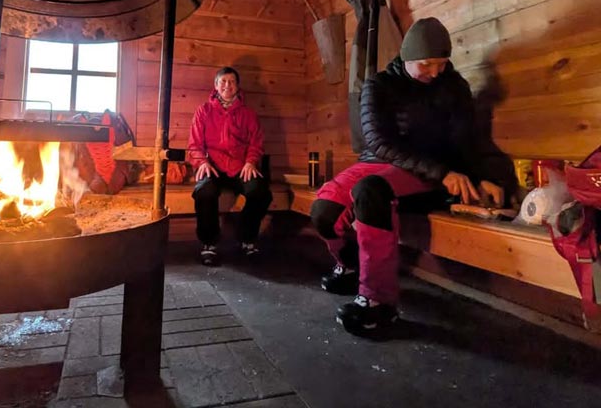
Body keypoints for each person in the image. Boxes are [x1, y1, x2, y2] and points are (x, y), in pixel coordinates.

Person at [309, 17, 511, 334]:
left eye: (442, 64)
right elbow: (378, 141)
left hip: (430, 170)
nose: (435, 72)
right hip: (384, 161)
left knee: (370, 191)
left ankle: (378, 303)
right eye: (426, 64)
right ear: (406, 59)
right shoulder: (379, 85)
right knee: (323, 211)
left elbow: (467, 140)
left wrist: (482, 175)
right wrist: (441, 172)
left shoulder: (454, 87)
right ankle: (349, 267)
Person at [188, 66, 273, 266]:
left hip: (239, 167)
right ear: (216, 86)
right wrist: (202, 162)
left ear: (237, 87)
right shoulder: (204, 111)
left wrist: (251, 162)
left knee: (260, 192)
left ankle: (246, 237)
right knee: (204, 191)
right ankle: (209, 243)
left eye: (232, 81)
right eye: (223, 81)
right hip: (213, 167)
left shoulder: (248, 114)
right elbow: (194, 145)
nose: (227, 85)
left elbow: (256, 143)